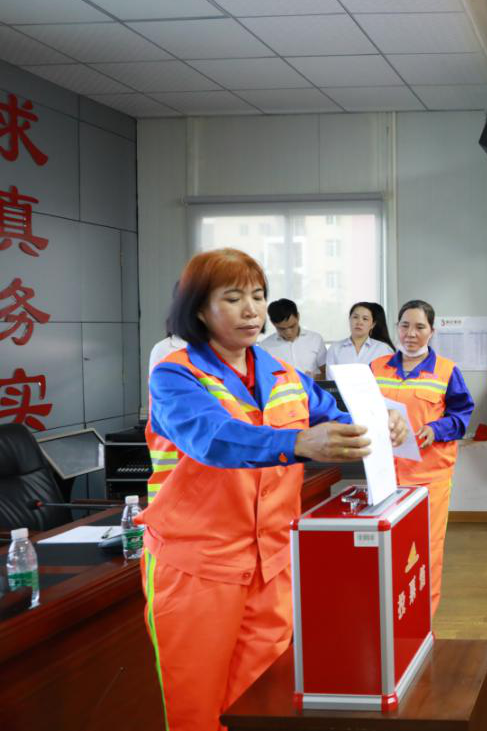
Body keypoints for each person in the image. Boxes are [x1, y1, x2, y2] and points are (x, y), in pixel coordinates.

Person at [140, 248, 406, 731]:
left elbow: (332, 411)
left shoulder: (279, 370)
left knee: (263, 702)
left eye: (258, 296)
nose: (252, 310)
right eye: (233, 298)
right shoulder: (175, 374)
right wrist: (298, 442)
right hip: (199, 564)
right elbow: (212, 438)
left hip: (272, 561)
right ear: (199, 310)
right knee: (196, 707)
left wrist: (379, 421)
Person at [371, 300, 474, 616]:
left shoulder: (446, 370)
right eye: (405, 325)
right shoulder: (377, 368)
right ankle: (392, 614)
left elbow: (461, 416)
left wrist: (435, 428)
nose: (411, 333)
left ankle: (422, 620)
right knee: (387, 545)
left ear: (432, 330)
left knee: (425, 549)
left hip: (429, 476)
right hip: (385, 473)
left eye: (419, 327)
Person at [259, 298, 327, 379]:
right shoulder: (265, 347)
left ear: (298, 317)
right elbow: (263, 379)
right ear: (273, 323)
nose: (289, 332)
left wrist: (313, 378)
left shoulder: (315, 339)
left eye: (292, 326)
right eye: (282, 329)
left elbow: (328, 374)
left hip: (311, 386)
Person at [325, 301, 392, 369]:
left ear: (372, 325)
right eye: (355, 317)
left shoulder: (383, 349)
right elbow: (330, 375)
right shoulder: (335, 348)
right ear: (349, 319)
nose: (359, 322)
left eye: (365, 319)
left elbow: (388, 374)